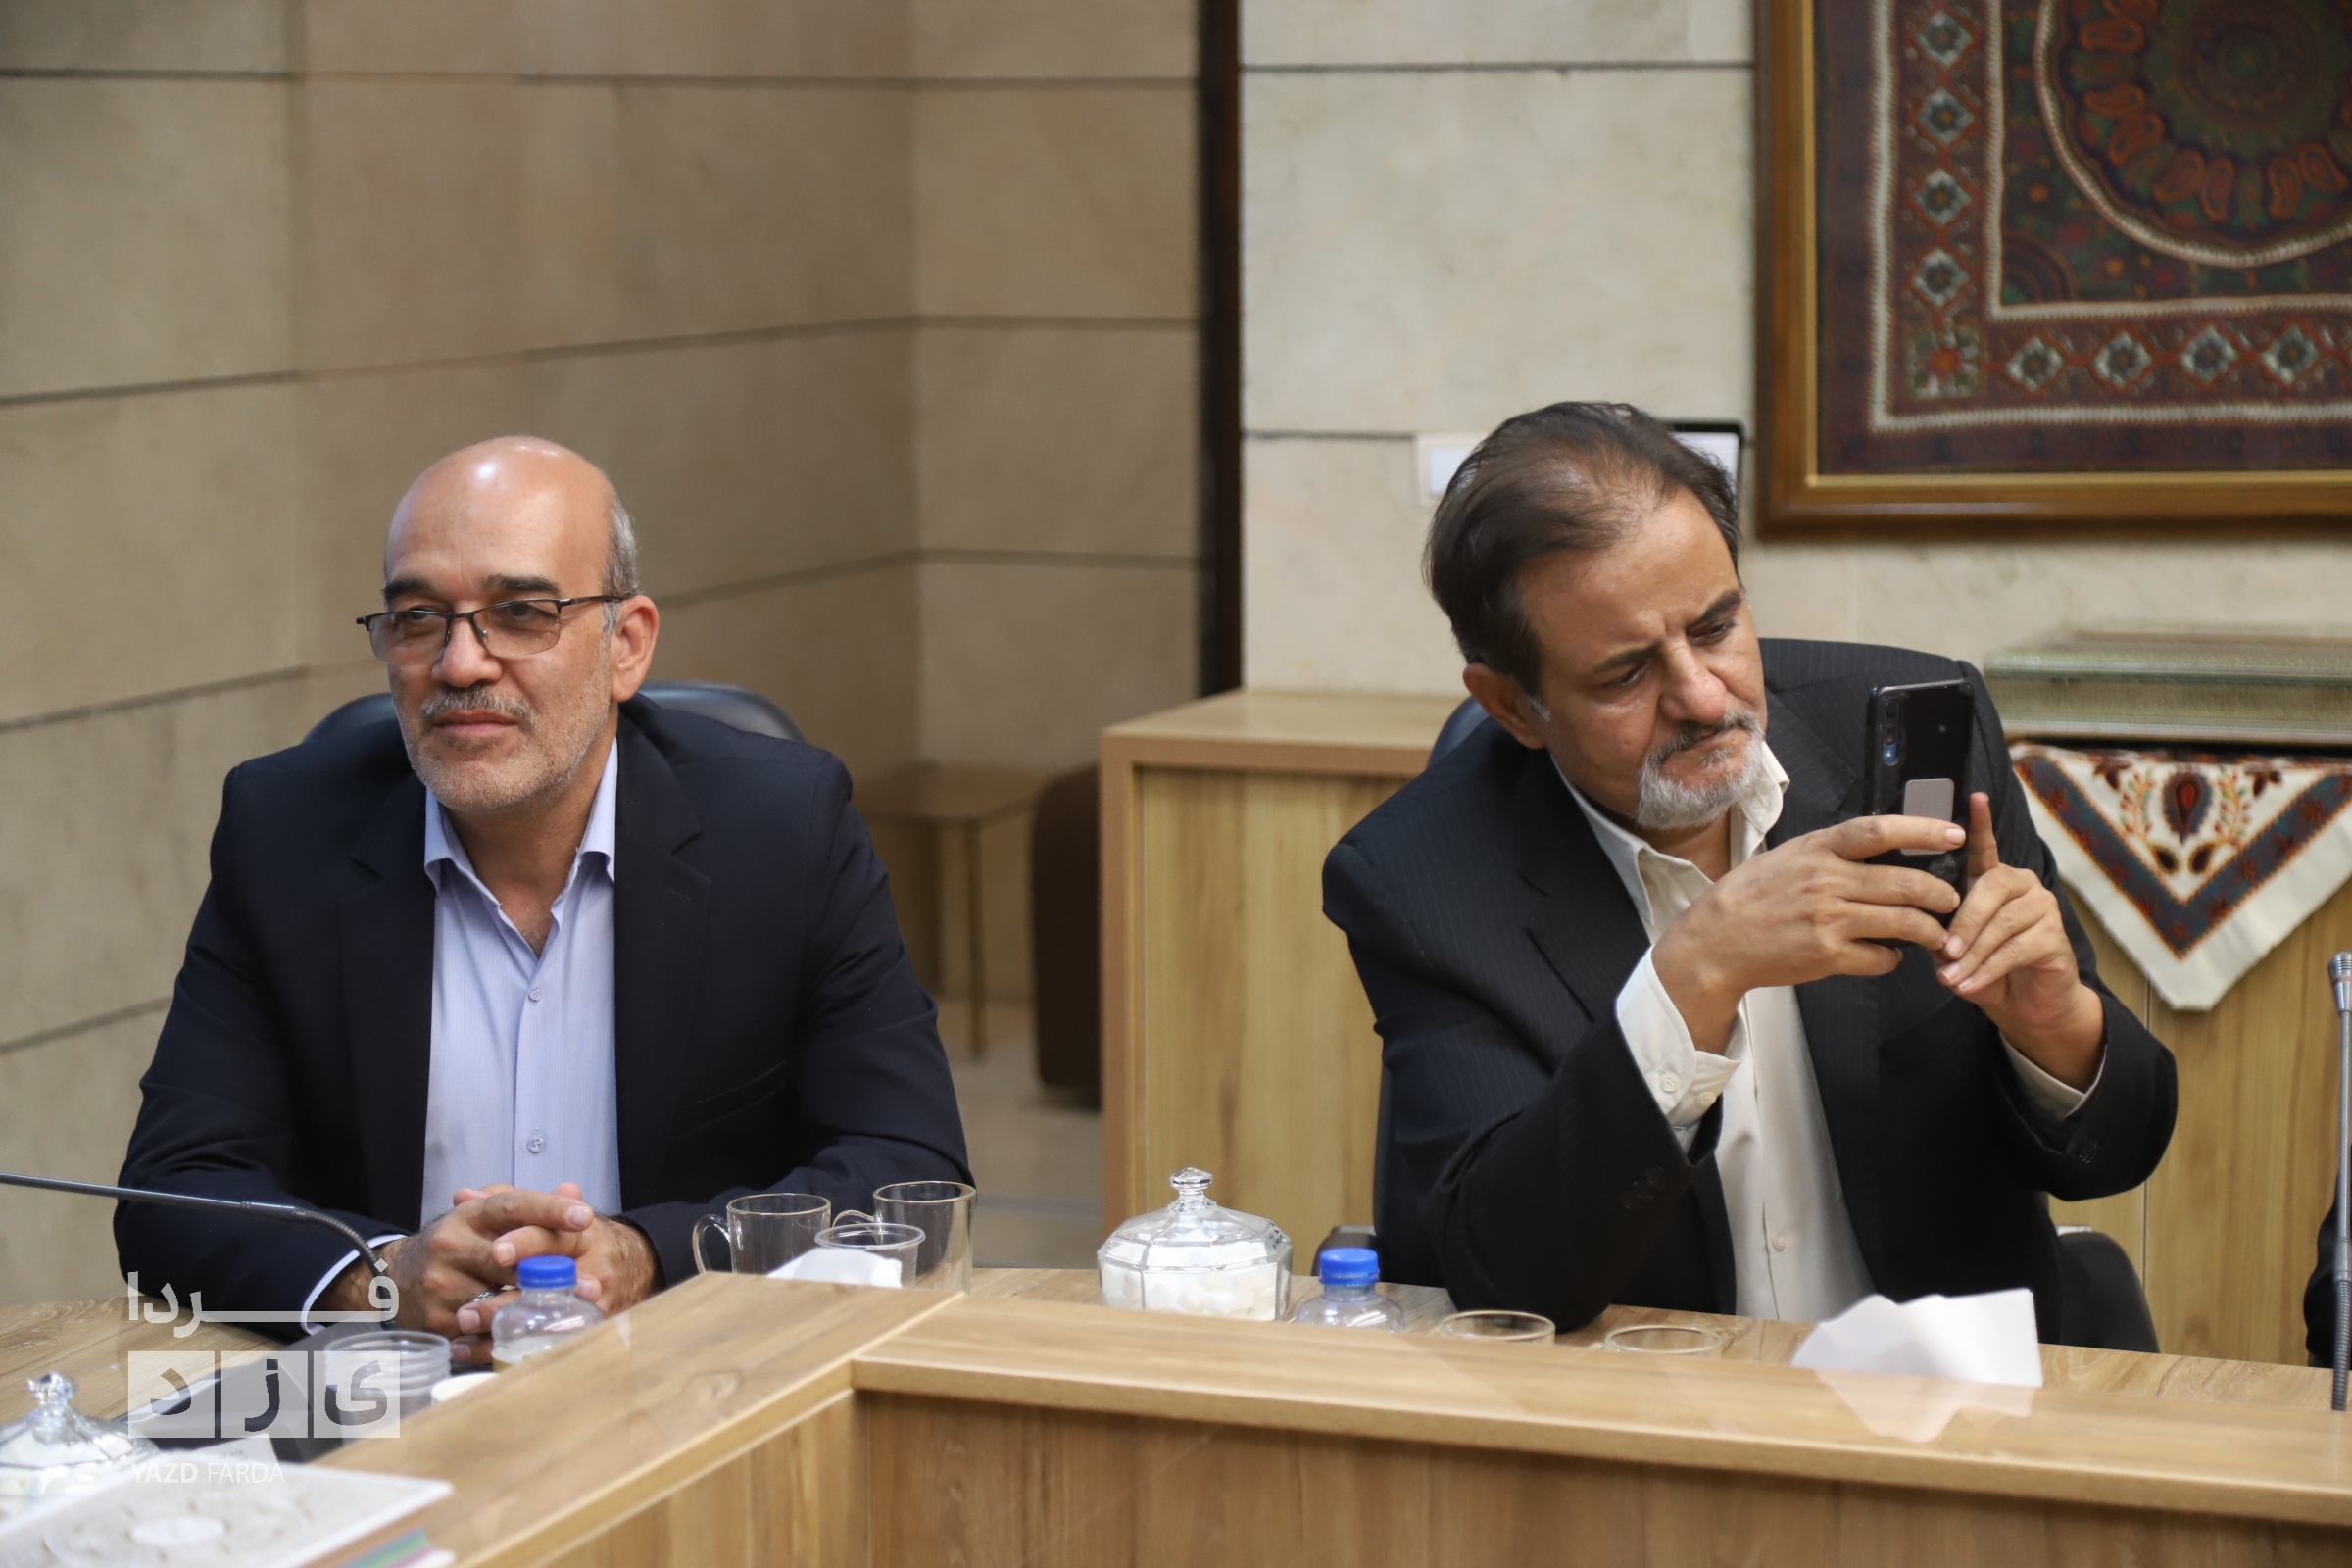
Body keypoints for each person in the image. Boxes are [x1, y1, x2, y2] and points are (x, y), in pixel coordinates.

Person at [1323, 403, 2176, 1338]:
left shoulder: (1912, 733)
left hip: (1948, 1395)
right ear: (1513, 707)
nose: (1700, 696)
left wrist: (2057, 1034)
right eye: (1625, 676)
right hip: (1650, 1405)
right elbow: (1509, 1275)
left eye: (1716, 626)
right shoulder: (1421, 879)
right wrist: (1692, 976)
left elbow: (2117, 1150)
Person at [117, 437, 967, 1358]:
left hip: (694, 1381)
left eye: (520, 613)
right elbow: (174, 1190)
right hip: (394, 1400)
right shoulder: (285, 833)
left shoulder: (782, 830)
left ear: (626, 645)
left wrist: (649, 1258)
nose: (460, 664)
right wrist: (382, 1277)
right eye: (417, 618)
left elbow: (907, 1167)